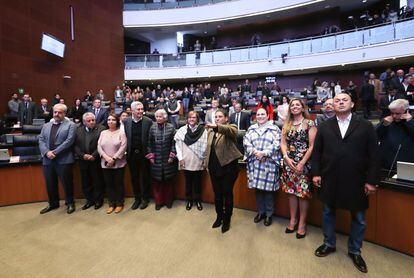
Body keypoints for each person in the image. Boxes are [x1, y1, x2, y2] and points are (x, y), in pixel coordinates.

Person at [312, 93, 380, 273]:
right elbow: (317, 153)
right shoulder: (325, 126)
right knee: (327, 212)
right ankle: (329, 243)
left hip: (356, 180)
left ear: (352, 104)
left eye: (344, 100)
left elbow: (374, 155)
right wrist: (316, 174)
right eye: (337, 100)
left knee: (359, 218)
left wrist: (371, 181)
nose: (340, 102)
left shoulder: (365, 125)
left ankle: (355, 251)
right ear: (332, 105)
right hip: (329, 178)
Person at [280, 98, 316, 238]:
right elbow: (283, 143)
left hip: (304, 164)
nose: (294, 107)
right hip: (289, 163)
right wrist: (286, 157)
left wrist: (302, 163)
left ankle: (302, 223)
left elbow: (312, 145)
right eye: (292, 105)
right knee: (291, 192)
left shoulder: (309, 123)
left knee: (302, 194)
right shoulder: (286, 124)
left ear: (302, 108)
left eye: (297, 105)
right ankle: (293, 220)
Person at [205, 109, 243, 233]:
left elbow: (230, 131)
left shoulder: (231, 128)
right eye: (215, 117)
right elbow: (208, 148)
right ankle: (219, 216)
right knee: (217, 195)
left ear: (226, 118)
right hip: (214, 168)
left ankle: (227, 220)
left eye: (220, 116)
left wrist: (217, 127)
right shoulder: (210, 131)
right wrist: (206, 164)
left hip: (228, 169)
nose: (217, 118)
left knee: (227, 194)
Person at [243, 108, 281, 226]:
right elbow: (246, 142)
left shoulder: (275, 129)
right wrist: (255, 152)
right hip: (255, 161)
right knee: (258, 190)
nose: (260, 116)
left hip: (268, 162)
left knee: (268, 191)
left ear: (268, 115)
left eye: (262, 114)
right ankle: (261, 212)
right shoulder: (251, 129)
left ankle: (269, 214)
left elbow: (277, 143)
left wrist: (264, 153)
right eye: (258, 114)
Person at [38, 104, 77, 214]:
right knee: (50, 183)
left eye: (60, 112)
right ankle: (53, 203)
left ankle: (70, 203)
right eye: (55, 112)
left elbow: (69, 141)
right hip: (48, 160)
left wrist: (54, 152)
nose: (57, 114)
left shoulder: (71, 125)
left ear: (65, 113)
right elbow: (41, 140)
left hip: (64, 159)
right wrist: (46, 152)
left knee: (67, 183)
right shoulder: (46, 125)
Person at [174, 111, 208, 211]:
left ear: (197, 119)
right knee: (188, 182)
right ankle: (189, 200)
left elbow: (205, 145)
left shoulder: (203, 130)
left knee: (198, 182)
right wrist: (180, 158)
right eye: (189, 118)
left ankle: (198, 200)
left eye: (194, 118)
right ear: (187, 119)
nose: (191, 119)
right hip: (186, 160)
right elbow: (178, 146)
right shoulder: (182, 130)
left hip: (198, 159)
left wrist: (203, 158)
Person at [146, 109, 177, 210]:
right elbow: (149, 144)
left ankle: (168, 201)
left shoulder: (171, 127)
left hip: (168, 160)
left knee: (168, 182)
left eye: (160, 117)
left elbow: (174, 143)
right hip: (156, 160)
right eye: (157, 117)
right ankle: (158, 202)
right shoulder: (152, 127)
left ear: (165, 117)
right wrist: (150, 156)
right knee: (157, 183)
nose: (158, 118)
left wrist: (172, 156)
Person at [124, 101, 153, 210]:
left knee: (145, 177)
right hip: (131, 155)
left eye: (142, 109)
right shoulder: (126, 122)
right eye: (138, 109)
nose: (141, 111)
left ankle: (145, 198)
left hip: (144, 154)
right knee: (134, 178)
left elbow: (151, 139)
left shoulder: (148, 121)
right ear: (132, 110)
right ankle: (137, 199)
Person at [74, 112, 106, 210]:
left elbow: (102, 145)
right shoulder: (78, 130)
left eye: (93, 120)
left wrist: (94, 155)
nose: (92, 122)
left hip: (95, 160)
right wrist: (83, 155)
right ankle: (89, 200)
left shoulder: (101, 129)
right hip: (83, 161)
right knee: (86, 182)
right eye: (89, 121)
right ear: (84, 122)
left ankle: (98, 200)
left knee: (97, 181)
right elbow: (75, 146)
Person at [97, 114, 127, 214]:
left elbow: (123, 147)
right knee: (109, 184)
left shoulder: (121, 133)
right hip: (105, 163)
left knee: (118, 184)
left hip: (118, 163)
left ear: (117, 121)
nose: (110, 122)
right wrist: (106, 158)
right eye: (109, 120)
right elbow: (99, 147)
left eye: (113, 120)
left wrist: (113, 158)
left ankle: (119, 204)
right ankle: (111, 204)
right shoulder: (103, 133)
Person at [376, 99, 414, 170]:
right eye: (392, 113)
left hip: (406, 164)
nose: (394, 116)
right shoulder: (387, 121)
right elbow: (375, 137)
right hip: (386, 163)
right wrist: (383, 125)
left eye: (397, 113)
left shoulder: (411, 122)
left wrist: (409, 122)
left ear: (406, 111)